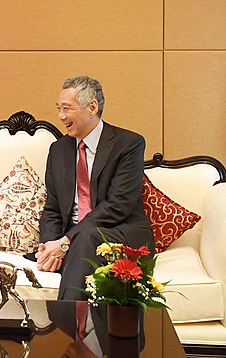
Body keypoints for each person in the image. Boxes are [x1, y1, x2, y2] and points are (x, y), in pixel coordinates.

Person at [36, 75, 155, 301]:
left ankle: (65, 328)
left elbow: (118, 206)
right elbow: (52, 208)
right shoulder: (58, 150)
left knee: (87, 237)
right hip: (74, 237)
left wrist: (66, 241)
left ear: (92, 107)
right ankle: (84, 330)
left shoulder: (128, 144)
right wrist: (49, 247)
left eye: (67, 109)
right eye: (58, 109)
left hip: (120, 230)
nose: (61, 116)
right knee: (82, 239)